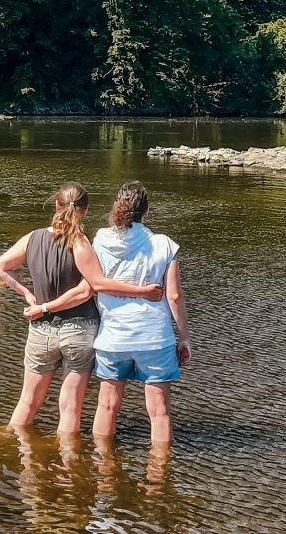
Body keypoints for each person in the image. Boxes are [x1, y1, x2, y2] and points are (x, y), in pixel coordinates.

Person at [0, 182, 164, 435]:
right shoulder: (81, 243)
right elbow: (87, 290)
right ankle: (68, 458)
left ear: (56, 205)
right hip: (79, 330)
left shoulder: (32, 238)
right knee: (70, 407)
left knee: (28, 401)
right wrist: (144, 292)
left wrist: (27, 294)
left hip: (40, 330)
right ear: (86, 211)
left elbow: (0, 266)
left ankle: (19, 450)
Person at [90, 181, 191, 447]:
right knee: (159, 413)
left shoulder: (100, 241)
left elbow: (93, 283)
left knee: (107, 406)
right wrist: (184, 337)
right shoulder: (164, 244)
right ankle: (159, 470)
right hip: (154, 339)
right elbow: (174, 296)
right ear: (147, 212)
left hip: (112, 338)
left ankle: (103, 465)